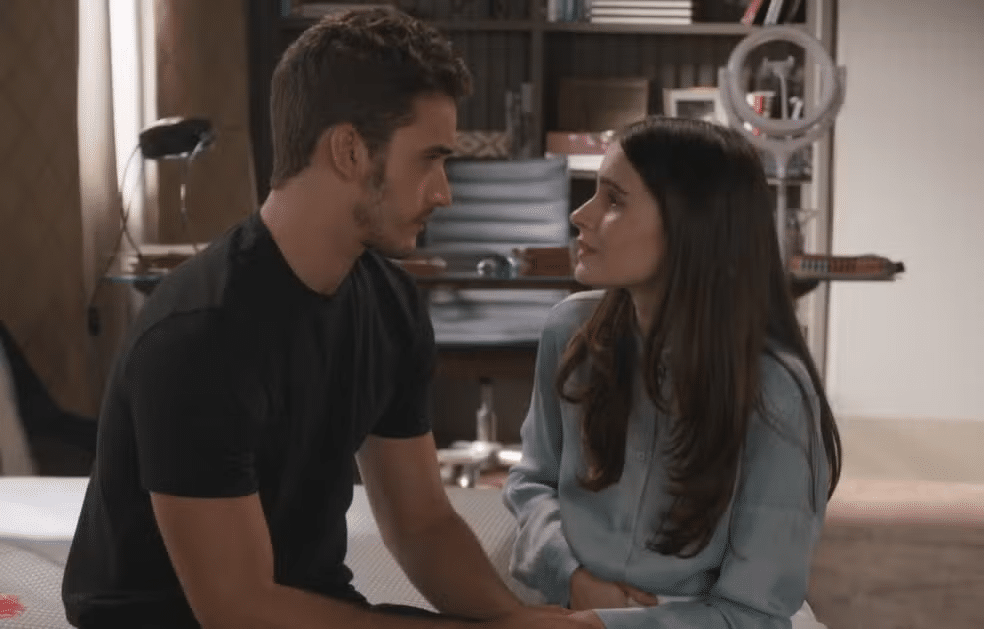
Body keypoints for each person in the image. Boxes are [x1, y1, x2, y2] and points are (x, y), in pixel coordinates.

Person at [61, 8, 595, 629]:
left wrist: (513, 619)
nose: (444, 192)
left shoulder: (390, 305)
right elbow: (237, 609)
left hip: (306, 607)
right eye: (429, 159)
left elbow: (422, 522)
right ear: (349, 151)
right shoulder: (198, 338)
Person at [502, 116, 843, 629]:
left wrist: (605, 624)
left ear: (691, 225)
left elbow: (754, 611)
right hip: (568, 604)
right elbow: (532, 480)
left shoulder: (774, 389)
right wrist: (572, 579)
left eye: (614, 200)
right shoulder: (569, 332)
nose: (579, 215)